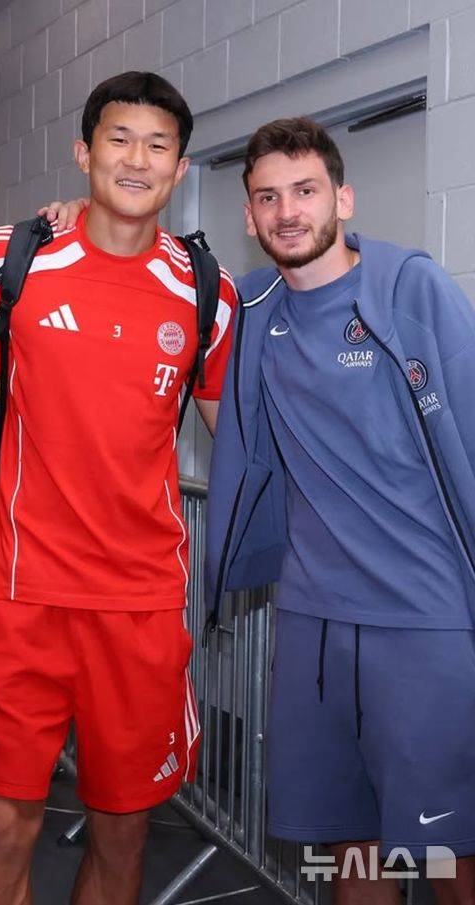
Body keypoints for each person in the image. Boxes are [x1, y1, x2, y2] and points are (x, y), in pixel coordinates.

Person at [0, 71, 236, 904]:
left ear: (180, 167)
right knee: (3, 825)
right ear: (83, 152)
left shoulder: (207, 291)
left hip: (139, 603)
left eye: (157, 145)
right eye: (118, 139)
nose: (137, 159)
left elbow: (238, 436)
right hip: (22, 591)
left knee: (123, 830)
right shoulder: (13, 257)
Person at [205, 116, 475, 903]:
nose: (288, 211)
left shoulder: (410, 290)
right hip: (313, 623)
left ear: (342, 199)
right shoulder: (252, 311)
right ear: (249, 217)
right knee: (347, 847)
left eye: (305, 190)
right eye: (268, 197)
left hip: (422, 620)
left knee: (449, 850)